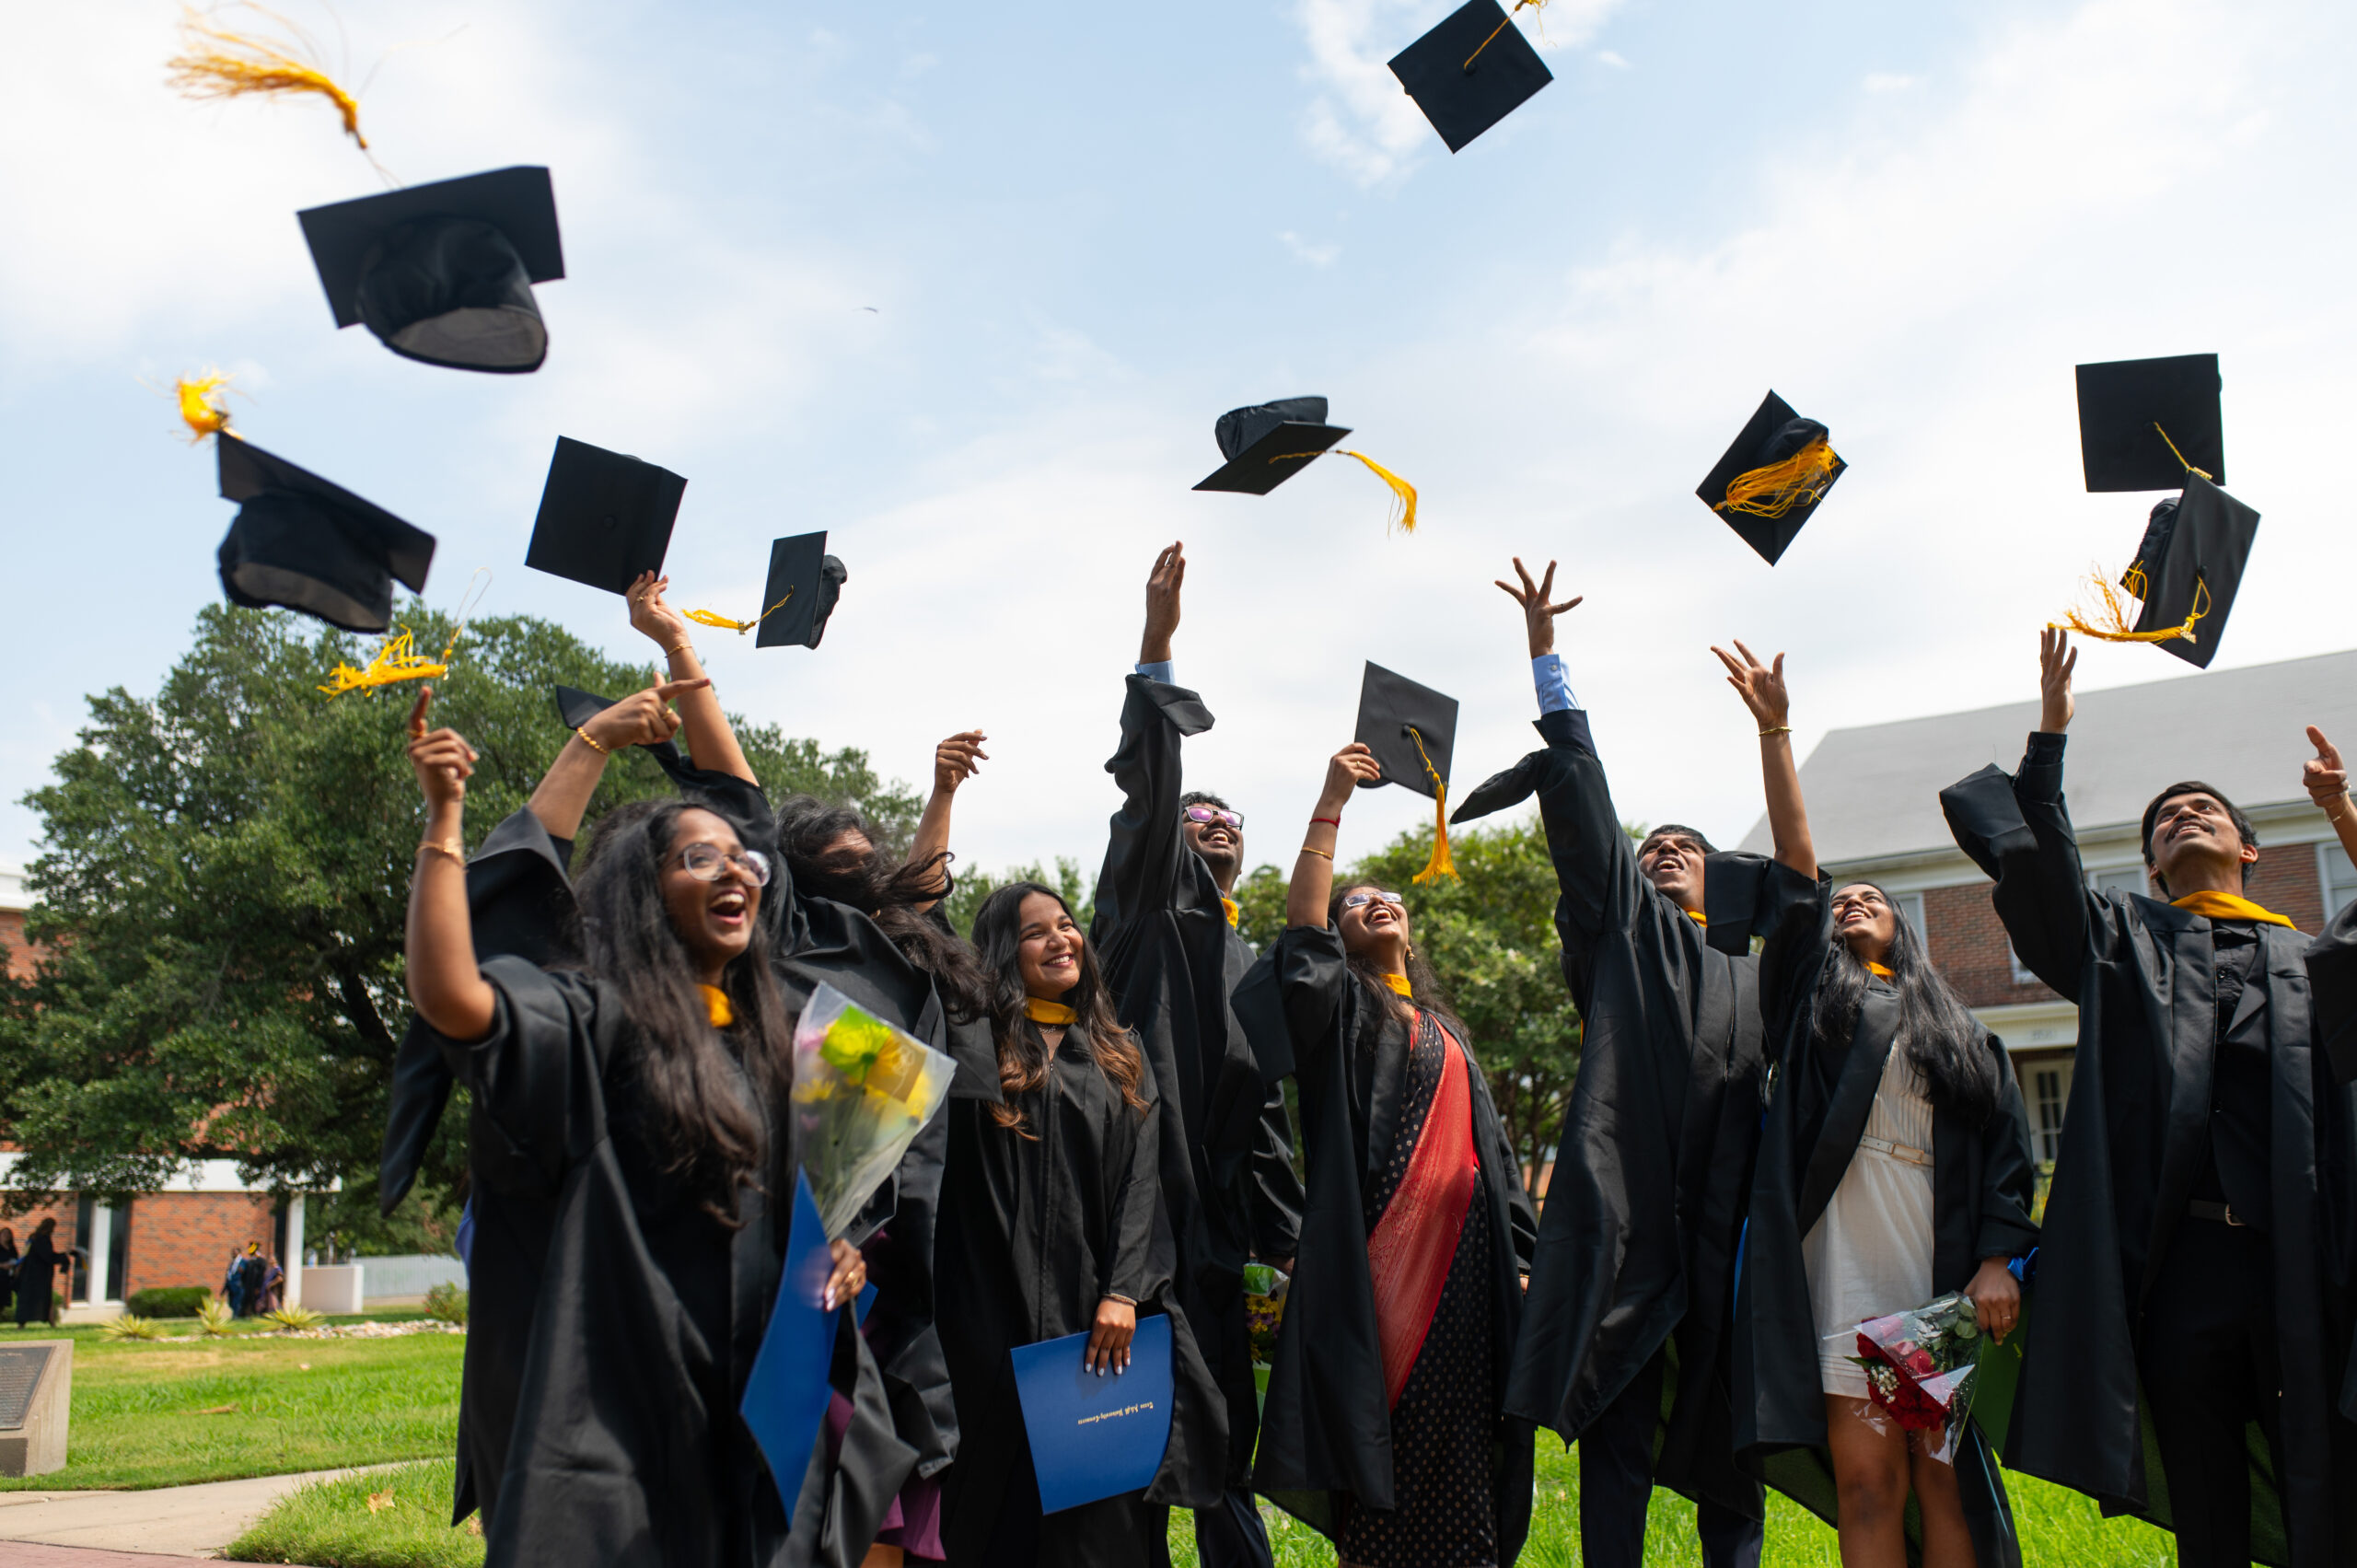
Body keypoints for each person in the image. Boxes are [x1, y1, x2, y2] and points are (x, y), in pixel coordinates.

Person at [402, 689, 879, 1566]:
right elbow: (456, 1000)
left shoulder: (783, 1037)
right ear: (647, 889)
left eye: (746, 863)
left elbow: (796, 1197)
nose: (738, 870)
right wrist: (444, 825)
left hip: (749, 1399)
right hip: (626, 1396)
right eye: (702, 858)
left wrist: (831, 1248)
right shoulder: (599, 1018)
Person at [1942, 629, 2357, 1568]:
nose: (2182, 816)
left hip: (2302, 1255)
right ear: (2150, 866)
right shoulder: (2125, 948)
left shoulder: (2307, 956)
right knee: (2204, 1501)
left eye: (2203, 807)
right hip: (2182, 1269)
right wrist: (2048, 737)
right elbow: (2044, 880)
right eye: (2162, 819)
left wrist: (2339, 808)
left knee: (2323, 1491)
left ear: (2248, 847)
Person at [1470, 562, 1802, 1568]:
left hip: (1731, 1221)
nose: (1661, 850)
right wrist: (1545, 661)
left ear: (1719, 874)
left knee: (1728, 1446)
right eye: (1650, 843)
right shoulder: (1625, 934)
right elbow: (1584, 800)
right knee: (1613, 1427)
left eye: (1682, 845)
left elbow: (1803, 882)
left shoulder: (1754, 967)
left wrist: (1773, 734)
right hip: (1630, 1221)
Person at [1719, 640, 2039, 1568]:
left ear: (1905, 925)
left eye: (1871, 898)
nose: (1850, 903)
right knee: (1867, 1482)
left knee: (1937, 1474)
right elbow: (1795, 869)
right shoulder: (1812, 1008)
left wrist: (1993, 1260)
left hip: (1923, 1268)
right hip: (1836, 1263)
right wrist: (1775, 731)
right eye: (1841, 902)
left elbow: (2007, 1149)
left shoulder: (1957, 1028)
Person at [1250, 740, 1538, 1567]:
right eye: (1355, 902)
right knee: (1387, 1449)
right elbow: (1300, 936)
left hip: (1473, 1279)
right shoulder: (1341, 1012)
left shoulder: (1449, 1033)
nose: (1375, 903)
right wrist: (1332, 799)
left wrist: (1520, 1256)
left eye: (1386, 896)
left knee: (1467, 1448)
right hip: (1380, 1279)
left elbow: (1501, 1163)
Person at [1087, 542, 1305, 1568]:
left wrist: (1290, 1237)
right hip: (1121, 1218)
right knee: (1116, 1453)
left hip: (1210, 1232)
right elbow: (1151, 790)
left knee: (1222, 1445)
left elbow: (1263, 1112)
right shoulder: (1139, 909)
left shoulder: (1249, 960)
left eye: (1231, 822)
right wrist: (1157, 646)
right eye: (1197, 816)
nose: (1211, 825)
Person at [932, 880, 1223, 1565]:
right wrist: (942, 795)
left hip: (1095, 1319)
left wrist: (1123, 1292)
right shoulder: (981, 1046)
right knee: (998, 1509)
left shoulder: (1118, 1051)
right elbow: (926, 931)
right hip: (991, 1318)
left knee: (1097, 1516)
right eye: (1036, 931)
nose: (1061, 938)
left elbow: (1140, 1184)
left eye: (1066, 925)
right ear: (1006, 951)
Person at [15, 1219, 64, 1329]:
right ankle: (51, 1323)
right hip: (38, 1274)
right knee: (42, 1297)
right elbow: (47, 1256)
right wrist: (62, 1257)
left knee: (28, 1298)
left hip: (30, 1273)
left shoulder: (33, 1238)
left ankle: (23, 1324)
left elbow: (24, 1254)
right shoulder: (41, 1239)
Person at [0, 1226, 18, 1321]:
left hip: (8, 1278)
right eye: (4, 1234)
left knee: (3, 1301)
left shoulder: (12, 1249)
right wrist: (2, 1265)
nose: (6, 1236)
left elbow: (17, 1260)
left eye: (8, 1234)